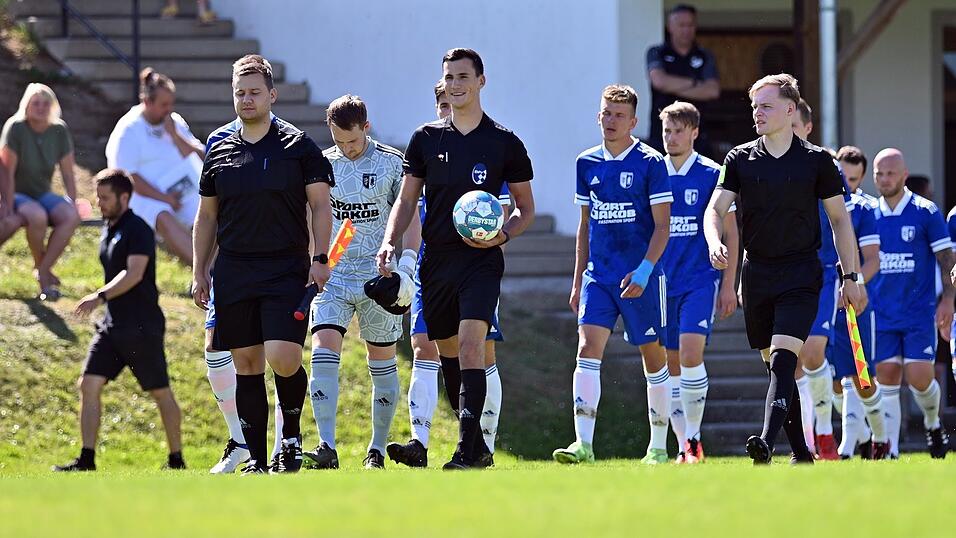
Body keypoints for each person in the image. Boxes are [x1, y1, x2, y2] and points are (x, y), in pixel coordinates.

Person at [377, 48, 535, 470]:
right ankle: (479, 446)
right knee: (446, 350)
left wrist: (505, 233)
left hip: (481, 262)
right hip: (437, 261)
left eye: (463, 76)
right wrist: (391, 242)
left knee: (470, 345)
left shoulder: (504, 142)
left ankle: (467, 447)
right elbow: (407, 199)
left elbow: (525, 208)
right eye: (449, 77)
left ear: (481, 81)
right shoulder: (425, 139)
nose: (456, 84)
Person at [704, 73, 864, 465]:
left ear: (790, 109)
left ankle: (764, 441)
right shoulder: (739, 158)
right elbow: (715, 209)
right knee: (777, 369)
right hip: (756, 274)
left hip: (801, 274)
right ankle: (801, 453)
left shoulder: (818, 161)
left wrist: (851, 277)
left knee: (784, 360)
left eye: (766, 106)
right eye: (754, 106)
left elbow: (840, 222)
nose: (757, 113)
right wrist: (714, 241)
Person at [192, 54, 334, 474]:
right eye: (240, 92)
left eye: (255, 92)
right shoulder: (217, 145)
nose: (247, 99)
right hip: (234, 270)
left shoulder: (298, 146)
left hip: (286, 269)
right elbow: (207, 215)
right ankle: (256, 457)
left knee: (283, 356)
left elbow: (321, 205)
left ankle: (290, 436)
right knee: (246, 363)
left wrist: (319, 257)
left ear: (272, 95)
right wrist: (200, 269)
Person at [553, 84, 673, 466]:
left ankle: (657, 446)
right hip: (599, 278)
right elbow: (585, 226)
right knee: (587, 349)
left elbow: (662, 228)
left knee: (652, 356)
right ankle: (583, 444)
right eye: (606, 113)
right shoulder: (586, 162)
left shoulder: (651, 163)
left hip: (642, 277)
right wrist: (577, 281)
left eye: (619, 115)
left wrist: (644, 271)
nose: (611, 120)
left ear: (634, 121)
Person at [300, 95, 406, 470]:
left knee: (382, 360)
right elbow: (316, 215)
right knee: (323, 348)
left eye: (353, 142)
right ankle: (326, 446)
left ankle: (376, 450)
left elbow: (409, 219)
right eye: (340, 142)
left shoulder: (393, 163)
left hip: (379, 276)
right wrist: (317, 260)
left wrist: (405, 267)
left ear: (367, 126)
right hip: (335, 272)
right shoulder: (323, 164)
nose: (347, 148)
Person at [54, 169, 184, 472]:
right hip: (112, 326)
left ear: (124, 197)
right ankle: (86, 459)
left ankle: (176, 459)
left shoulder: (137, 229)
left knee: (160, 391)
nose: (99, 203)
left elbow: (134, 273)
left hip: (141, 326)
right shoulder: (110, 228)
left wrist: (98, 296)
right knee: (88, 384)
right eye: (98, 197)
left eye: (105, 198)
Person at [657, 101, 738, 464]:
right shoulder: (652, 171)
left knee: (691, 355)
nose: (671, 138)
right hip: (659, 282)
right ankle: (682, 447)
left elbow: (732, 232)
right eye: (666, 131)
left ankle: (693, 438)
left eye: (678, 131)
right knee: (670, 366)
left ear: (694, 133)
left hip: (698, 280)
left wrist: (728, 283)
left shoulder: (711, 173)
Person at [871, 148, 952, 459]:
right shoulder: (869, 212)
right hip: (881, 312)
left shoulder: (925, 211)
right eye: (880, 173)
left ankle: (933, 424)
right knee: (887, 376)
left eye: (891, 173)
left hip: (919, 311)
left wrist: (948, 299)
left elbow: (946, 258)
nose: (885, 178)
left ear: (904, 175)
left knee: (919, 377)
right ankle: (890, 449)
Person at [790, 98, 854, 459]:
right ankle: (808, 440)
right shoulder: (764, 162)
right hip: (781, 272)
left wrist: (850, 274)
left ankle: (826, 432)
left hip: (821, 272)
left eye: (795, 126)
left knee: (813, 353)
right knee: (792, 361)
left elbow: (840, 222)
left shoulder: (825, 165)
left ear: (807, 127)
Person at [106, 68, 204, 267]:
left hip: (180, 191)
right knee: (163, 215)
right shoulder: (128, 130)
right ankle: (205, 273)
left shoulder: (174, 122)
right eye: (163, 105)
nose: (169, 109)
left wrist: (176, 136)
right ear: (147, 102)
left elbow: (201, 155)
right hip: (142, 197)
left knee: (211, 210)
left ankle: (220, 270)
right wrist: (165, 198)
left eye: (171, 104)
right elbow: (128, 177)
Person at [829, 145, 890, 459]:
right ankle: (856, 435)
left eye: (853, 179)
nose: (847, 184)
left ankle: (878, 436)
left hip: (856, 302)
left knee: (862, 379)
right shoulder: (818, 204)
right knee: (832, 380)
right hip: (824, 298)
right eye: (843, 176)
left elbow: (873, 260)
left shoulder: (864, 209)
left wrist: (851, 285)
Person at [1, 83, 81, 299]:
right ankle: (43, 272)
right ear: (26, 105)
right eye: (36, 103)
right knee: (37, 215)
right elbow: (6, 172)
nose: (41, 107)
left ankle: (42, 269)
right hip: (16, 192)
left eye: (46, 103)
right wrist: (8, 206)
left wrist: (71, 200)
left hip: (42, 192)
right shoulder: (16, 128)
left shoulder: (59, 130)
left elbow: (67, 172)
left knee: (71, 215)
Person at [645, 4, 720, 156]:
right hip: (662, 136)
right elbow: (659, 81)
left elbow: (712, 90)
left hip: (697, 137)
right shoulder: (657, 52)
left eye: (690, 25)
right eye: (681, 25)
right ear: (670, 27)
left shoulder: (704, 55)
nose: (686, 30)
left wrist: (672, 84)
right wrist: (695, 83)